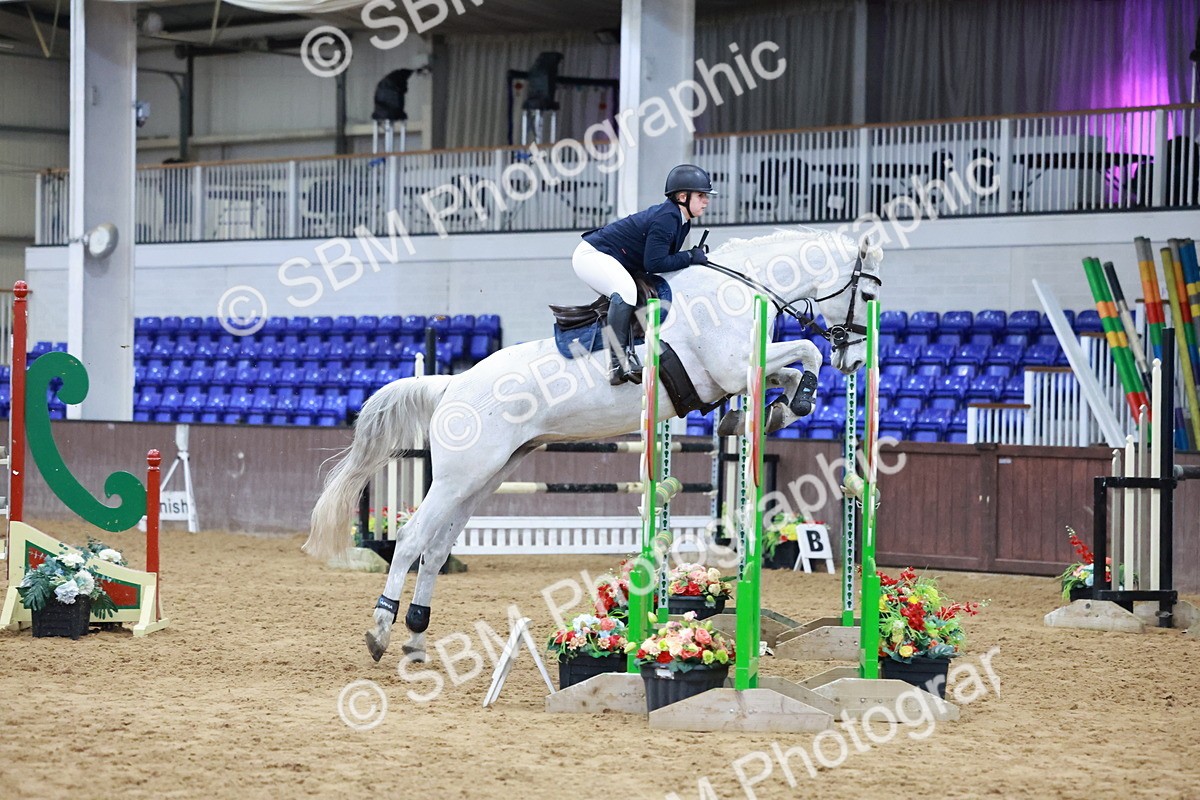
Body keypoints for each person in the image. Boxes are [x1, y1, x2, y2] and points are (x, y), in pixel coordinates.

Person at [573, 163, 715, 385]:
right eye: (701, 195)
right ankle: (618, 363)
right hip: (591, 256)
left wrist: (689, 257)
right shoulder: (667, 218)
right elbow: (655, 262)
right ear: (682, 196)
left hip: (615, 259)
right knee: (626, 291)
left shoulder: (681, 221)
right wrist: (689, 257)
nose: (706, 200)